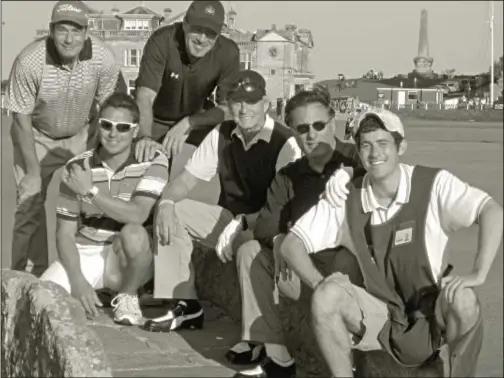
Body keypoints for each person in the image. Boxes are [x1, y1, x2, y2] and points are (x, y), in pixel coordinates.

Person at [281, 108, 503, 377]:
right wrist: (319, 283)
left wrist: (479, 273)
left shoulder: (433, 185)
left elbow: (490, 210)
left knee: (464, 299)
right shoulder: (345, 195)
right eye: (366, 145)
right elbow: (292, 245)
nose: (375, 154)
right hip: (381, 315)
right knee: (326, 295)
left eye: (384, 143)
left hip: (432, 310)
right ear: (359, 152)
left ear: (402, 146)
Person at [142, 70, 302, 333]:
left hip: (268, 229)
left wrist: (245, 222)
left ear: (266, 104)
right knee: (173, 210)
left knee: (249, 251)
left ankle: (258, 337)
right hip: (231, 222)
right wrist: (167, 203)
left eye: (251, 101)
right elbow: (184, 182)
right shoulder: (222, 133)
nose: (243, 109)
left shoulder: (285, 143)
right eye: (237, 101)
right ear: (228, 105)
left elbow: (286, 208)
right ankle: (185, 303)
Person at [230, 89, 365, 378]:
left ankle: (350, 347)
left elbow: (388, 177)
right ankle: (275, 353)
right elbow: (267, 223)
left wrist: (352, 174)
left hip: (353, 274)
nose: (312, 134)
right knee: (249, 252)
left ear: (333, 121)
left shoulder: (356, 158)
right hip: (303, 272)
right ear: (293, 132)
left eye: (319, 125)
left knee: (344, 258)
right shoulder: (288, 176)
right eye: (302, 129)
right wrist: (279, 240)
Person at [5, 0, 123, 277]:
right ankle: (28, 280)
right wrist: (33, 172)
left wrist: (103, 150)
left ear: (86, 33)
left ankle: (94, 272)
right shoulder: (29, 61)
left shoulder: (103, 58)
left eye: (76, 31)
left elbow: (108, 106)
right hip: (36, 133)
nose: (69, 39)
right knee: (29, 201)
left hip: (83, 132)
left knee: (94, 197)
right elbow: (20, 119)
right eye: (62, 30)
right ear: (51, 30)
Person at [40, 93, 169, 325]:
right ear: (98, 126)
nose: (113, 133)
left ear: (135, 131)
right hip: (86, 251)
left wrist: (90, 191)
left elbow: (138, 214)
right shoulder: (76, 167)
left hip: (128, 257)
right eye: (107, 125)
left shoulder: (154, 161)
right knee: (42, 300)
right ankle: (97, 289)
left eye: (122, 127)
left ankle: (128, 295)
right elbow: (65, 233)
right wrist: (78, 281)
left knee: (134, 233)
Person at [134, 0, 240, 178]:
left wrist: (190, 123)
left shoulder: (228, 52)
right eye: (198, 29)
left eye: (210, 33)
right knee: (143, 165)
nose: (202, 39)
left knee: (232, 146)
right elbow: (145, 95)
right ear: (185, 24)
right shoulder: (162, 40)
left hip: (197, 118)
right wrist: (145, 136)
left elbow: (229, 108)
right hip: (155, 118)